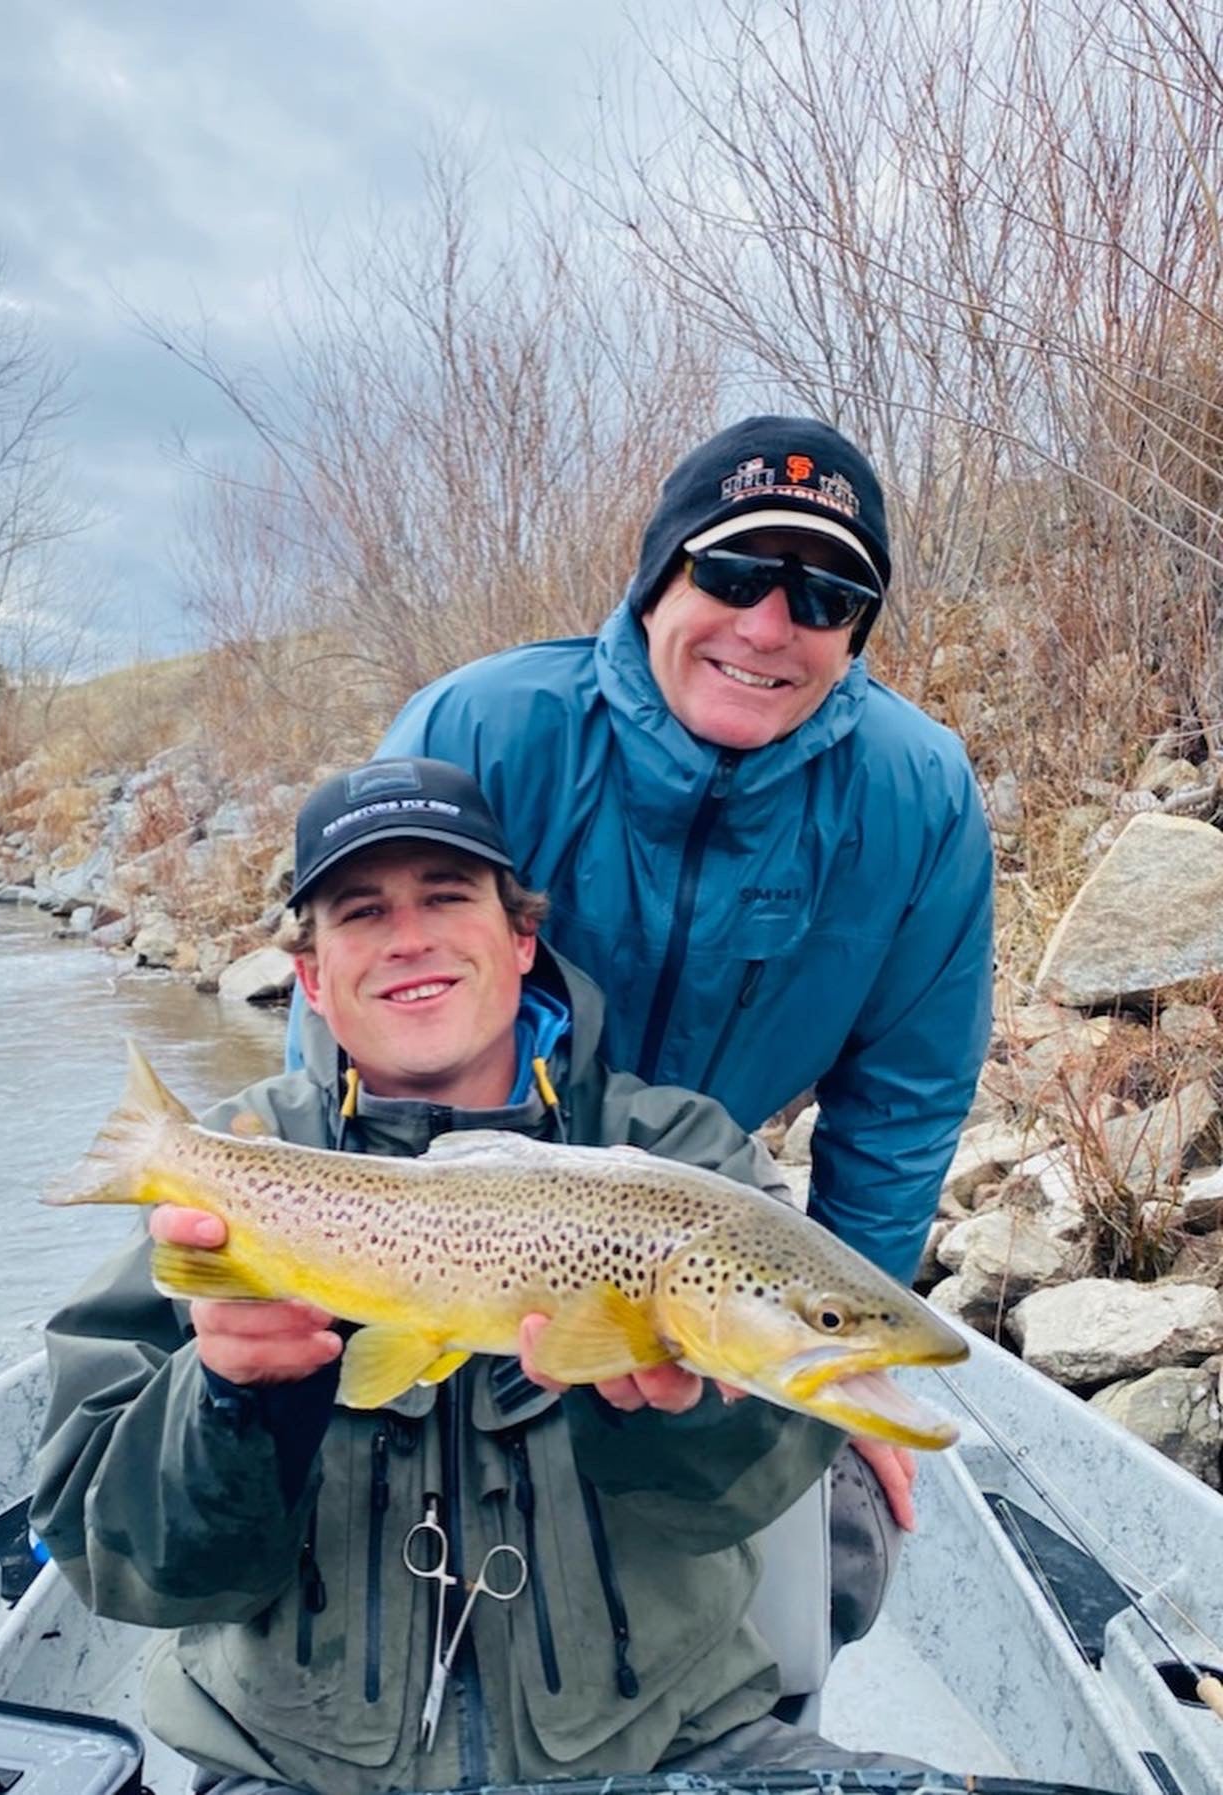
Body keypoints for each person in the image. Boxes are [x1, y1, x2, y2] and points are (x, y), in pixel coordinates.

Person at [31, 757, 911, 1795]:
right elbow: (117, 1557)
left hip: (673, 1744)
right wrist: (227, 1399)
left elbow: (742, 1489)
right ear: (310, 977)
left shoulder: (678, 1159)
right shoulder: (232, 1170)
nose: (409, 937)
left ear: (522, 938)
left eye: (447, 896)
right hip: (297, 1769)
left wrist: (674, 1415)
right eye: (363, 911)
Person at [370, 416, 995, 1534]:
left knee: (844, 1536)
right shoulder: (479, 729)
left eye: (825, 598)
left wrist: (837, 1365)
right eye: (735, 572)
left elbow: (902, 1105)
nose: (769, 626)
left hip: (713, 1248)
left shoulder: (919, 797)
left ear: (855, 634)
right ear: (660, 578)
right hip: (459, 1219)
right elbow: (360, 1012)